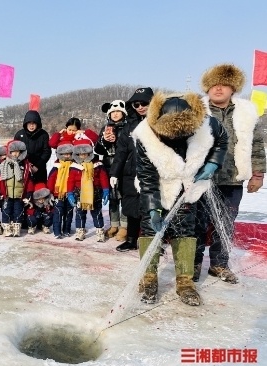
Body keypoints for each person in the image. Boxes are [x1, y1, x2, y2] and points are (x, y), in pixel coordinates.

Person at [133, 92, 228, 306]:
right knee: (150, 230)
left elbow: (222, 139)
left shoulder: (207, 124)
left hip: (189, 185)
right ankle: (148, 278)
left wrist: (213, 162)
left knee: (186, 231)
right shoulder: (145, 136)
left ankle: (185, 282)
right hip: (160, 183)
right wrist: (152, 209)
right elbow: (147, 177)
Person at [194, 64, 266, 283]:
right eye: (214, 85)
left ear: (233, 88)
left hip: (232, 179)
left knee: (225, 223)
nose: (219, 89)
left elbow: (256, 145)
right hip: (200, 179)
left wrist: (257, 175)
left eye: (224, 85)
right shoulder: (196, 110)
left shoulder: (247, 112)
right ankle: (193, 263)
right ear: (207, 88)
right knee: (196, 223)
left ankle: (219, 264)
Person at [110, 87, 154, 252]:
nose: (141, 107)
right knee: (131, 208)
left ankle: (152, 242)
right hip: (130, 173)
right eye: (136, 104)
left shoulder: (160, 123)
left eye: (145, 103)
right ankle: (131, 239)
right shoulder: (129, 126)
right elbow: (121, 152)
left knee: (152, 209)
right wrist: (114, 173)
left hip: (152, 174)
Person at [94, 100, 128, 241]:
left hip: (125, 166)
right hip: (108, 165)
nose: (115, 114)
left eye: (118, 111)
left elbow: (129, 146)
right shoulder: (105, 127)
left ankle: (125, 227)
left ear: (123, 113)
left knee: (125, 197)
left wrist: (117, 139)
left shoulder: (128, 127)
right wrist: (105, 141)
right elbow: (98, 149)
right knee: (113, 197)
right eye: (113, 112)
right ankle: (114, 225)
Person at [69, 139, 110, 242]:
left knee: (96, 213)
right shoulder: (74, 166)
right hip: (79, 194)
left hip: (95, 193)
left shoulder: (97, 164)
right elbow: (70, 180)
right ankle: (80, 231)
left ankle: (100, 231)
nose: (83, 156)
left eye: (85, 153)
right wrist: (69, 192)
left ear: (90, 152)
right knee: (79, 213)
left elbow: (103, 177)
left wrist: (105, 189)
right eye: (80, 154)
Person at [0, 140, 34, 237]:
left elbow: (29, 181)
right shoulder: (4, 164)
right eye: (13, 152)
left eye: (17, 152)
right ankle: (7, 228)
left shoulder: (26, 165)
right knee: (6, 211)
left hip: (19, 195)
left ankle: (16, 228)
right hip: (7, 194)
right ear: (9, 152)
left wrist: (29, 193)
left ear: (21, 152)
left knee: (18, 212)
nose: (15, 154)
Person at [14, 110, 52, 184]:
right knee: (25, 191)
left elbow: (46, 151)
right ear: (26, 123)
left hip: (40, 168)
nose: (31, 126)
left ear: (38, 124)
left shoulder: (43, 135)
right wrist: (25, 163)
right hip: (23, 167)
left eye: (34, 123)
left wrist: (37, 166)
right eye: (29, 123)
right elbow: (14, 151)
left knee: (40, 190)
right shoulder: (19, 134)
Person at [47, 142, 75, 239]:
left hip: (71, 193)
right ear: (60, 155)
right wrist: (50, 193)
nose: (67, 156)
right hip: (58, 194)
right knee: (58, 213)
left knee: (69, 213)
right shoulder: (57, 166)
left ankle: (66, 230)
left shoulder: (75, 166)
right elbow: (51, 180)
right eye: (65, 154)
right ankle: (57, 231)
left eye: (69, 154)